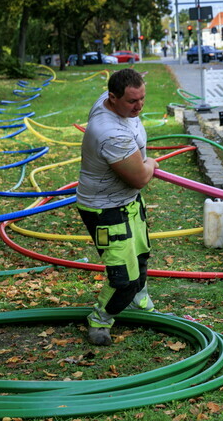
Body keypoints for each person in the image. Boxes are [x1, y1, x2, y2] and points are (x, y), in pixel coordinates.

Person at [76, 68, 159, 346]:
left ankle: (139, 301)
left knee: (142, 255)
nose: (139, 107)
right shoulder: (110, 133)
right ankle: (100, 319)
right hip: (105, 209)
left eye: (142, 99)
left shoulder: (114, 100)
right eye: (132, 102)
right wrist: (151, 164)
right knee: (123, 280)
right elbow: (139, 178)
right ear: (112, 98)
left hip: (128, 202)